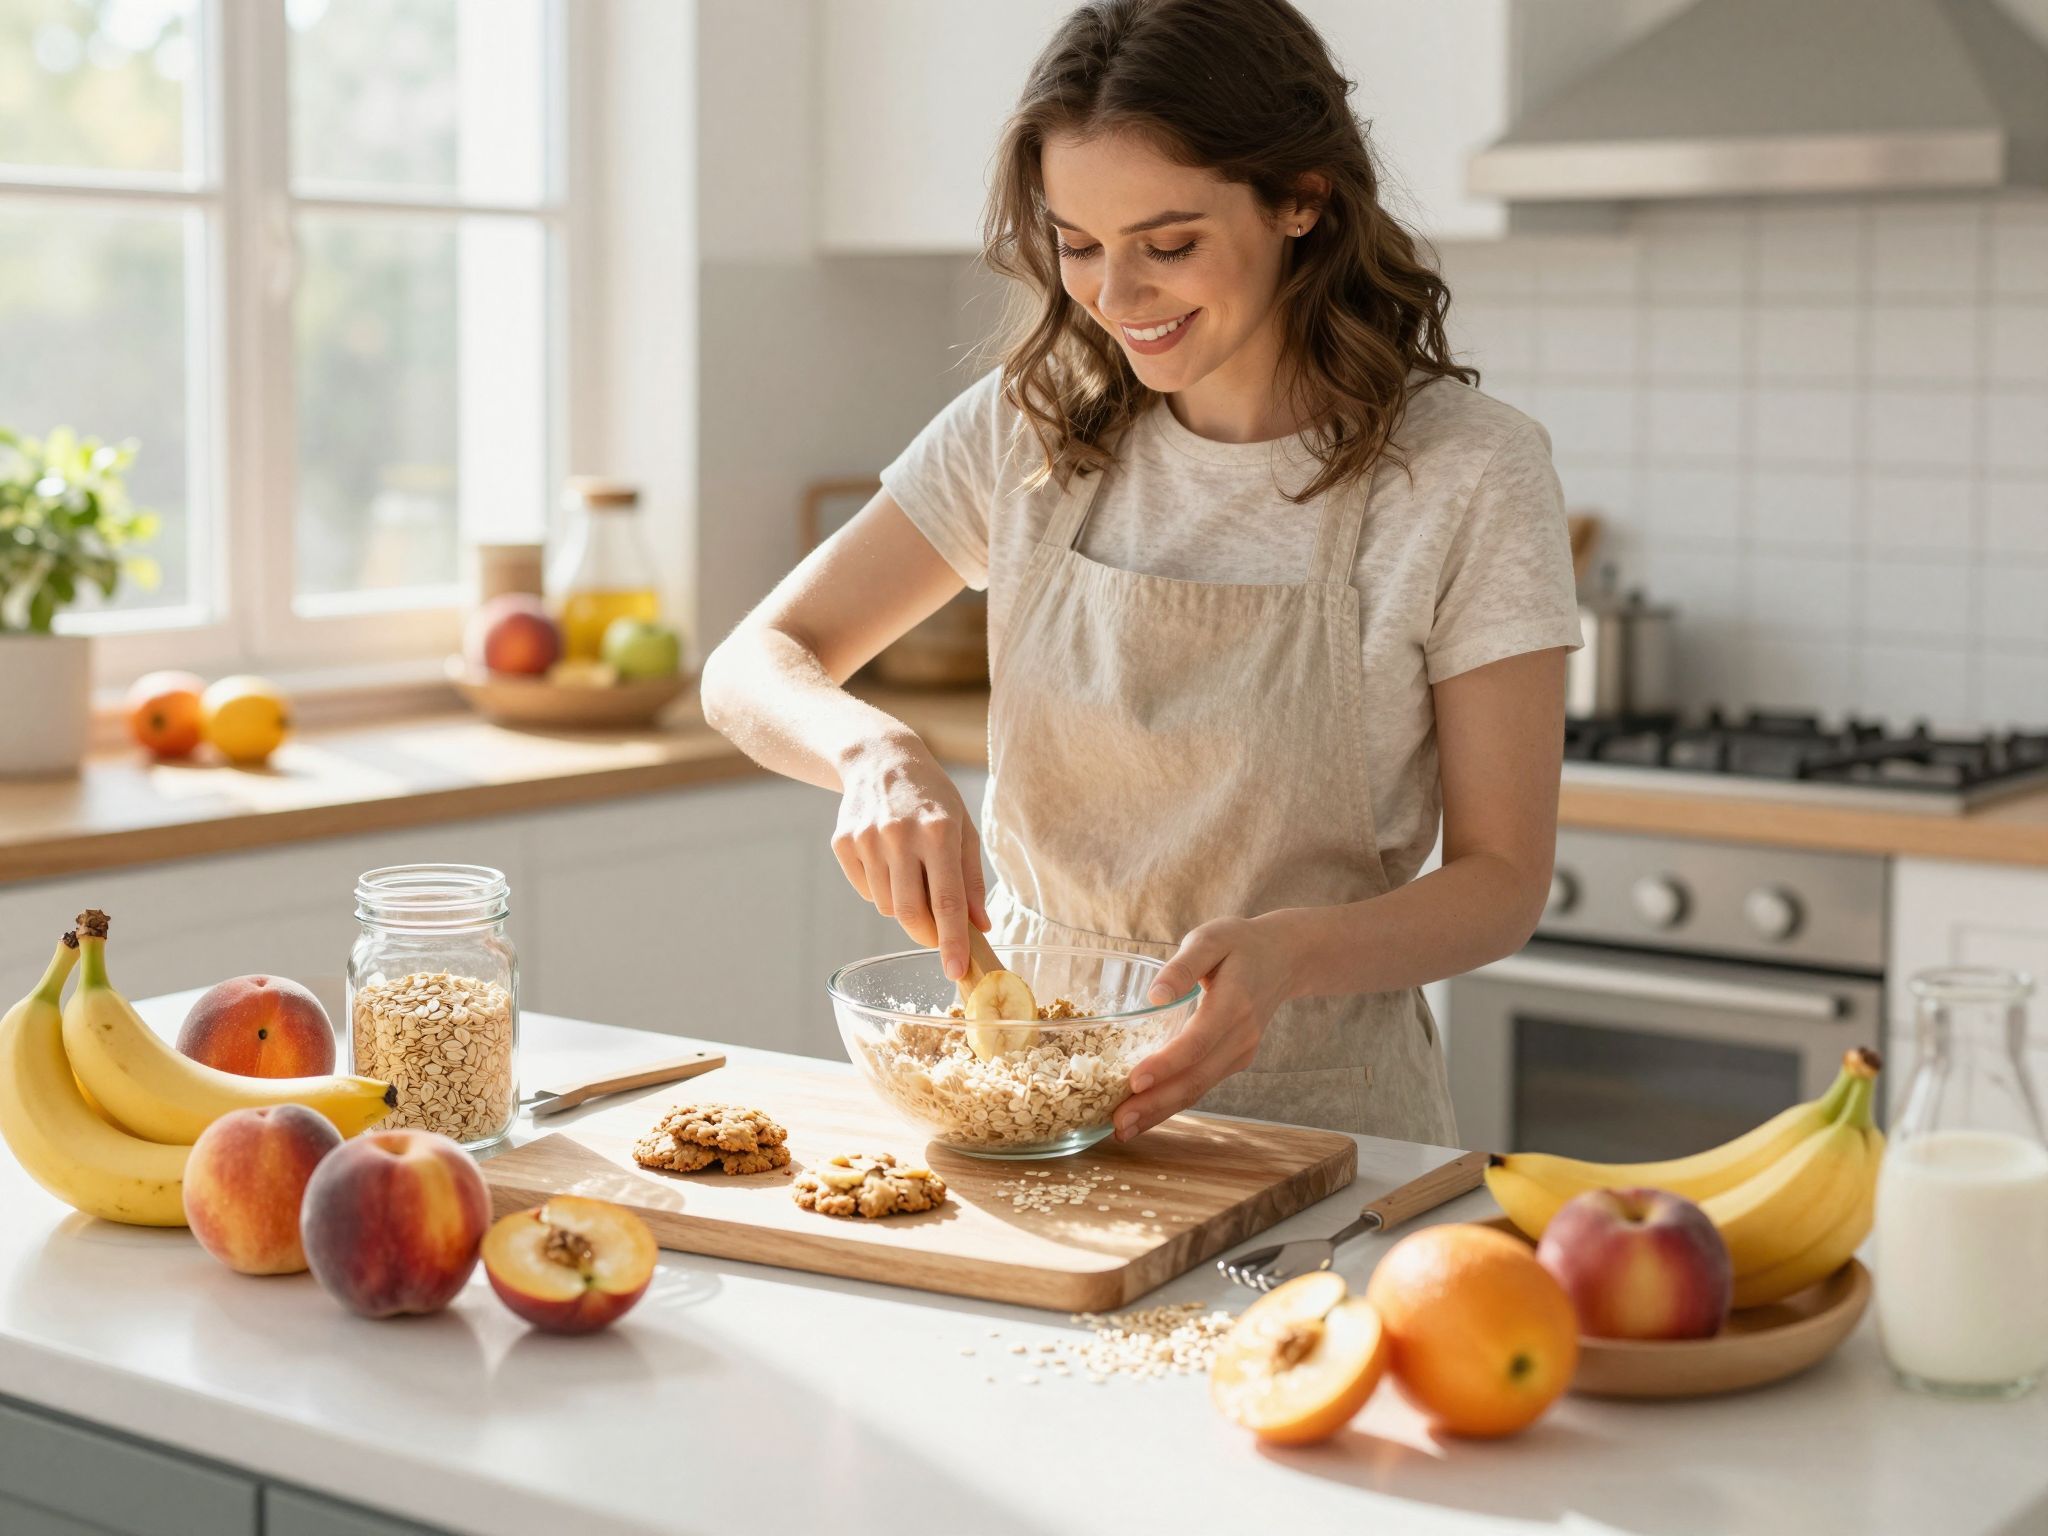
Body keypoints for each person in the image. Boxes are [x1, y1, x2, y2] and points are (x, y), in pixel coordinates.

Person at [701, 0, 1581, 1145]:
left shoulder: (1466, 471)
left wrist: (1287, 954)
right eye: (1076, 245)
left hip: (1322, 1132)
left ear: (1301, 199)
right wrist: (873, 752)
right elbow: (750, 665)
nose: (1115, 298)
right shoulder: (1029, 427)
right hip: (1024, 1099)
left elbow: (1500, 880)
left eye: (1167, 244)